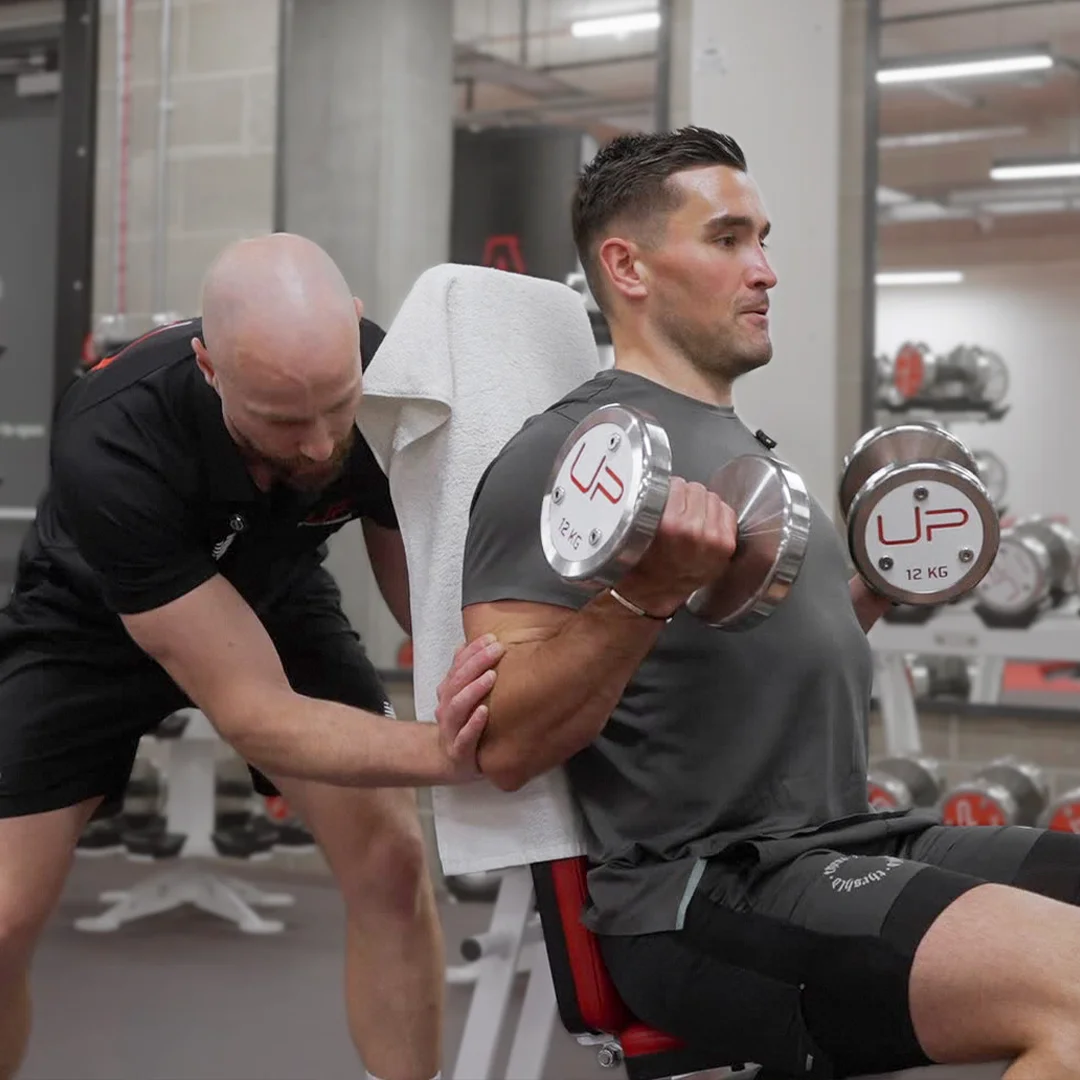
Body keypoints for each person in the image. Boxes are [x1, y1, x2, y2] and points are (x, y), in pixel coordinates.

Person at [454, 127, 1080, 1078]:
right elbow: (503, 745)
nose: (766, 270)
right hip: (706, 888)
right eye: (728, 239)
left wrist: (867, 593)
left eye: (764, 238)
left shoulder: (749, 451)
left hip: (853, 834)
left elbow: (745, 645)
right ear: (627, 265)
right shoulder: (572, 456)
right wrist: (645, 594)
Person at [0, 232, 504, 1080]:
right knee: (4, 918)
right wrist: (452, 752)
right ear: (208, 365)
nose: (315, 446)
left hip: (275, 595)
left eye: (335, 407)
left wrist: (497, 685)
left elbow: (417, 596)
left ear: (352, 331)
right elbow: (257, 715)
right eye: (279, 420)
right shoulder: (109, 436)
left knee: (390, 862)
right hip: (87, 621)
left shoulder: (387, 379)